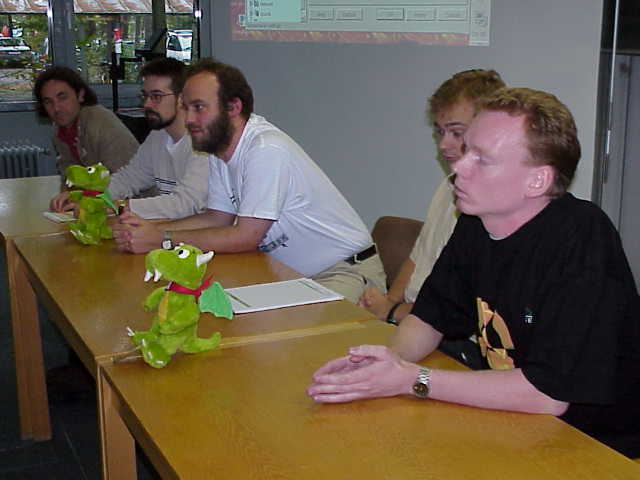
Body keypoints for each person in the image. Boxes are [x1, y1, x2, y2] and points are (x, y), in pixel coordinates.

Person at [307, 87, 640, 458]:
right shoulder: (477, 221)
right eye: (466, 151)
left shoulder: (583, 239)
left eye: (482, 159)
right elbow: (429, 318)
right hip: (515, 425)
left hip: (599, 447)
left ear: (537, 181)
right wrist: (388, 361)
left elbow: (547, 395)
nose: (458, 168)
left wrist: (412, 379)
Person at [112, 58, 386, 303]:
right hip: (291, 275)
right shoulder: (219, 149)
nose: (190, 119)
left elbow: (246, 236)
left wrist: (162, 239)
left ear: (233, 107)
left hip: (344, 271)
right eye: (186, 108)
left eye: (199, 108)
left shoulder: (265, 148)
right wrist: (148, 229)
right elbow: (217, 219)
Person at [359, 70, 504, 325]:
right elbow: (418, 257)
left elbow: (460, 309)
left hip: (446, 330)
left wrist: (391, 312)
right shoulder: (447, 186)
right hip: (412, 317)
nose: (443, 144)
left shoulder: (495, 208)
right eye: (440, 132)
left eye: (456, 133)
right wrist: (389, 302)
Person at [49, 58, 209, 220]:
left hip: (197, 230)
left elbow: (186, 203)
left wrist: (118, 207)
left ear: (182, 98)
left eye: (156, 96)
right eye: (145, 95)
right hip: (171, 227)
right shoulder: (158, 135)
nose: (147, 104)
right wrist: (86, 195)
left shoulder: (204, 142)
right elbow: (128, 178)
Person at [34, 66, 139, 181]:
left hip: (132, 190)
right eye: (48, 102)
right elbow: (69, 173)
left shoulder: (100, 122)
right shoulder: (61, 132)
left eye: (62, 98)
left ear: (80, 95)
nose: (56, 108)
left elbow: (124, 178)